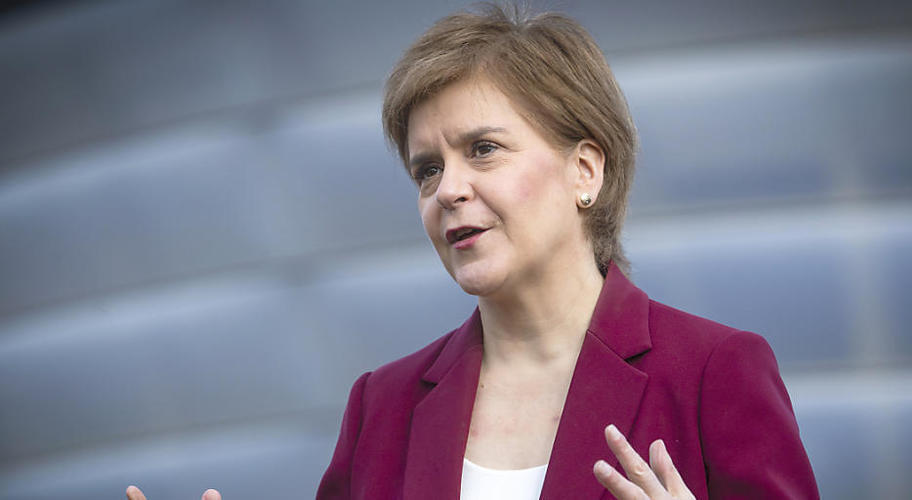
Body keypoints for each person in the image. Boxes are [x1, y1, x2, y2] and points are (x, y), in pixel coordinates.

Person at [128, 4, 818, 500]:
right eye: (426, 170)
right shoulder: (381, 406)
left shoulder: (714, 372)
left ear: (585, 170)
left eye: (483, 149)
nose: (448, 190)